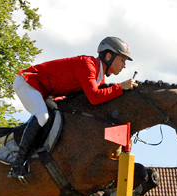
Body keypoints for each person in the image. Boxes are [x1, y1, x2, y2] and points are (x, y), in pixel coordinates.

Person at [9, 36, 138, 183]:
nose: (124, 66)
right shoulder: (87, 65)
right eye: (122, 60)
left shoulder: (99, 77)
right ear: (109, 56)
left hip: (46, 91)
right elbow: (94, 97)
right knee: (42, 116)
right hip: (28, 83)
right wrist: (120, 87)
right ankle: (17, 164)